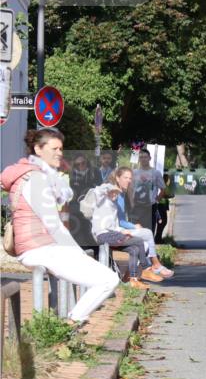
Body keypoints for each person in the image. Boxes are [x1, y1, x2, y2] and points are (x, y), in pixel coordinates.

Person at [0, 129, 120, 325]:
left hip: (37, 246)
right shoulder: (36, 179)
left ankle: (69, 324)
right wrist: (77, 252)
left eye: (61, 149)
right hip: (39, 248)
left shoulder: (29, 174)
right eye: (54, 148)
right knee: (108, 280)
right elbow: (53, 225)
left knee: (102, 278)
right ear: (38, 149)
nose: (59, 153)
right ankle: (70, 324)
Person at [107, 167, 174, 279]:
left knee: (145, 245)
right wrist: (133, 226)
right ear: (117, 179)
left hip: (119, 228)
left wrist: (134, 226)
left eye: (130, 178)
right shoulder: (116, 195)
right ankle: (155, 265)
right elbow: (118, 221)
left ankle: (129, 276)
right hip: (113, 231)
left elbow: (122, 218)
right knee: (147, 233)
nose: (129, 180)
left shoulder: (123, 194)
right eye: (126, 178)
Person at [88, 181, 157, 289]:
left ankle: (133, 280)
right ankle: (145, 268)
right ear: (107, 192)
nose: (115, 195)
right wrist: (111, 187)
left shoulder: (114, 207)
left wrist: (123, 230)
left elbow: (115, 225)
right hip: (103, 235)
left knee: (135, 249)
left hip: (113, 234)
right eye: (113, 193)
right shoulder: (101, 201)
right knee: (138, 241)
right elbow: (98, 190)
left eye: (116, 193)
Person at [68, 155, 102, 247]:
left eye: (83, 163)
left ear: (87, 162)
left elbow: (100, 187)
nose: (80, 166)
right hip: (75, 206)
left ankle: (93, 249)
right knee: (76, 229)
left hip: (90, 206)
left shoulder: (95, 172)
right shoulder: (71, 174)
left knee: (89, 230)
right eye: (77, 164)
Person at [132, 148, 165, 229]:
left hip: (150, 206)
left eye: (145, 157)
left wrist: (156, 200)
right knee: (136, 231)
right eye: (141, 157)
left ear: (149, 158)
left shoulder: (156, 173)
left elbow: (163, 189)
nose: (143, 159)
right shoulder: (134, 172)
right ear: (139, 159)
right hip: (137, 206)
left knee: (149, 230)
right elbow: (130, 188)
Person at [154, 173, 173, 243]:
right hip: (160, 205)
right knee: (162, 222)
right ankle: (157, 238)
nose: (169, 180)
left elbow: (167, 193)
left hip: (163, 205)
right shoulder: (162, 185)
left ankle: (159, 238)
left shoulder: (165, 185)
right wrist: (169, 195)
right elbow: (164, 194)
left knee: (163, 222)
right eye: (168, 179)